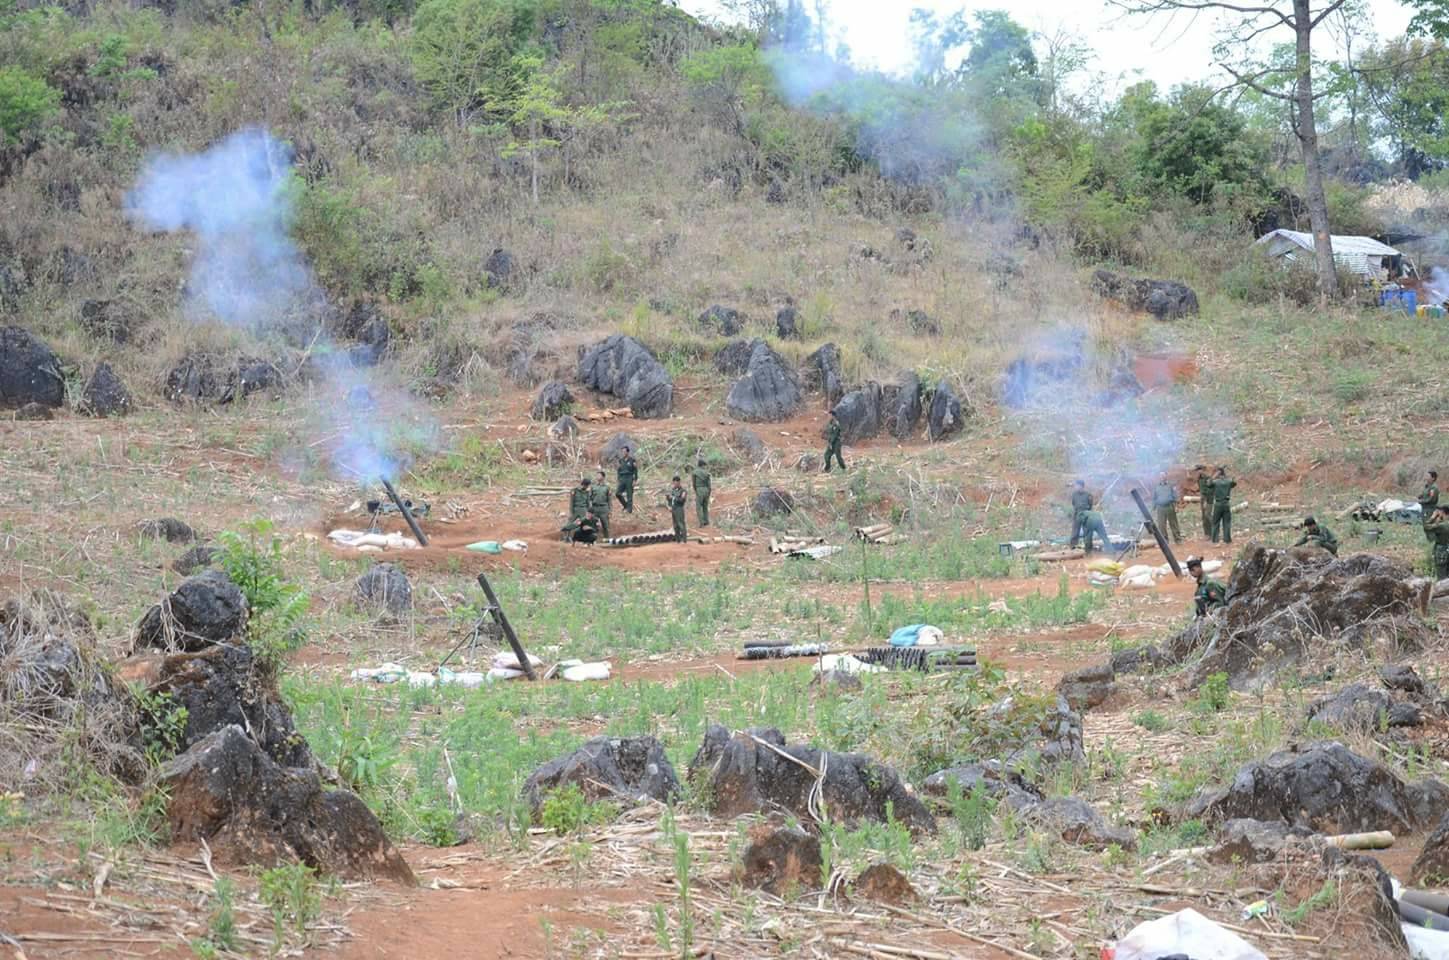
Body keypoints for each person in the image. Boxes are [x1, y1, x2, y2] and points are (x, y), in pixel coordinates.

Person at [1153, 473, 1183, 544]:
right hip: (1160, 508)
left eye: (1163, 476)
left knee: (1174, 524)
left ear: (1166, 477)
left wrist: (1177, 506)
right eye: (1161, 476)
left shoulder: (1170, 486)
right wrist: (1153, 508)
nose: (1162, 477)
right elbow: (1154, 498)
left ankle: (1178, 539)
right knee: (1161, 525)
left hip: (1169, 507)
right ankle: (1165, 541)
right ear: (1159, 477)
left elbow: (1175, 496)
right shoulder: (1157, 487)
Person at [1210, 466, 1236, 544]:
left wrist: (1214, 476)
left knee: (1215, 522)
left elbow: (1208, 483)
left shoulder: (1215, 482)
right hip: (1226, 504)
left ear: (1218, 474)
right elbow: (1234, 483)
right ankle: (1227, 540)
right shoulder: (1228, 481)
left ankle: (1215, 540)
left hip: (1218, 504)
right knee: (1227, 522)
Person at [1068, 480, 1093, 549]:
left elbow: (1090, 505)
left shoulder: (1088, 495)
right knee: (1075, 532)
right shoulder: (1074, 494)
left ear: (1081, 486)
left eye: (1077, 485)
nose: (1075, 487)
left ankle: (1088, 549)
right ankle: (1073, 547)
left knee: (1087, 532)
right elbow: (1073, 503)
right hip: (1077, 515)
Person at [1426, 507, 1449, 579]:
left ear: (1443, 512)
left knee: (1441, 577)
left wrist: (1432, 518)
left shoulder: (1442, 526)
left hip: (1442, 552)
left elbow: (1426, 527)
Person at [615, 446, 638, 514]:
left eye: (625, 451)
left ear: (628, 452)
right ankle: (625, 505)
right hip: (622, 478)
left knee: (629, 494)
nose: (623, 453)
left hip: (629, 477)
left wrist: (635, 480)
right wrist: (618, 479)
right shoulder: (620, 460)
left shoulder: (632, 460)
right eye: (622, 452)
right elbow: (618, 470)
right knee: (618, 493)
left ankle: (629, 510)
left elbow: (635, 470)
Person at [591, 469, 612, 539]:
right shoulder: (593, 487)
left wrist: (610, 511)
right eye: (597, 475)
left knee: (606, 525)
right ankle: (593, 540)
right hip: (595, 508)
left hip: (604, 508)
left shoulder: (607, 487)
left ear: (603, 477)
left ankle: (607, 539)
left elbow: (609, 500)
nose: (597, 477)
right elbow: (590, 498)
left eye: (599, 475)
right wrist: (590, 510)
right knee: (593, 525)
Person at [666, 475, 688, 543]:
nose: (675, 484)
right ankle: (678, 540)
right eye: (674, 483)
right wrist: (669, 506)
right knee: (675, 525)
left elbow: (682, 500)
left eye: (676, 483)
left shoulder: (683, 491)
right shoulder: (672, 490)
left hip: (679, 508)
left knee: (681, 524)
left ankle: (684, 540)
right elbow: (669, 500)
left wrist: (673, 497)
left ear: (679, 483)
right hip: (673, 508)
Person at [691, 457, 711, 527]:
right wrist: (709, 492)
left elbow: (693, 483)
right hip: (706, 489)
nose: (705, 466)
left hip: (699, 489)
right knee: (705, 506)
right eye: (704, 465)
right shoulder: (706, 472)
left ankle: (701, 523)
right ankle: (706, 521)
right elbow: (709, 484)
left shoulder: (695, 472)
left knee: (698, 507)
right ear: (702, 465)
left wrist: (696, 491)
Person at [1419, 471, 1439, 540]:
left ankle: (1433, 540)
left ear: (1433, 478)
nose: (1426, 477)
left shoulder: (1433, 488)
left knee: (1429, 526)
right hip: (1424, 509)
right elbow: (1423, 495)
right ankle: (1430, 540)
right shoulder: (1427, 486)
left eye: (1428, 476)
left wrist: (1421, 501)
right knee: (1425, 526)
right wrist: (1420, 497)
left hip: (1429, 510)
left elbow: (1431, 499)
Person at [1195, 466, 1213, 538]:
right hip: (1203, 500)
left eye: (1199, 470)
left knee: (1208, 516)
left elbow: (1210, 490)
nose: (1198, 472)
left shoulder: (1208, 478)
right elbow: (1201, 490)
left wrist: (1206, 500)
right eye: (1197, 471)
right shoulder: (1199, 480)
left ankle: (1214, 533)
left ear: (1202, 470)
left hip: (1209, 500)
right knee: (1204, 517)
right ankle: (1207, 534)